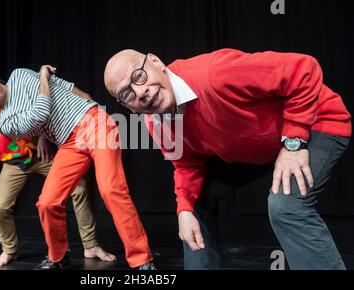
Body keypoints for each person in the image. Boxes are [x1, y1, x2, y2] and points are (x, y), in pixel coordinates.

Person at [104, 48, 352, 270]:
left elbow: (303, 69)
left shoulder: (214, 75)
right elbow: (187, 164)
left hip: (316, 123)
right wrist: (184, 210)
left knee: (286, 207)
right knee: (196, 197)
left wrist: (294, 142)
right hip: (261, 146)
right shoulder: (155, 122)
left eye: (139, 76)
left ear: (157, 63)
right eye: (127, 93)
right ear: (128, 107)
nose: (140, 92)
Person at [0, 67, 155, 270]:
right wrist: (44, 76)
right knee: (47, 202)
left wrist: (93, 105)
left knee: (111, 189)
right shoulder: (6, 122)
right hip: (69, 142)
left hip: (93, 123)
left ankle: (142, 260)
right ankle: (59, 257)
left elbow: (65, 87)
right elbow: (40, 114)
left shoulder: (18, 74)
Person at [0, 86, 116, 268]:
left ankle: (90, 245)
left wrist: (44, 136)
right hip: (13, 164)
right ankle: (9, 250)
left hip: (41, 154)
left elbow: (39, 104)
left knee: (79, 188)